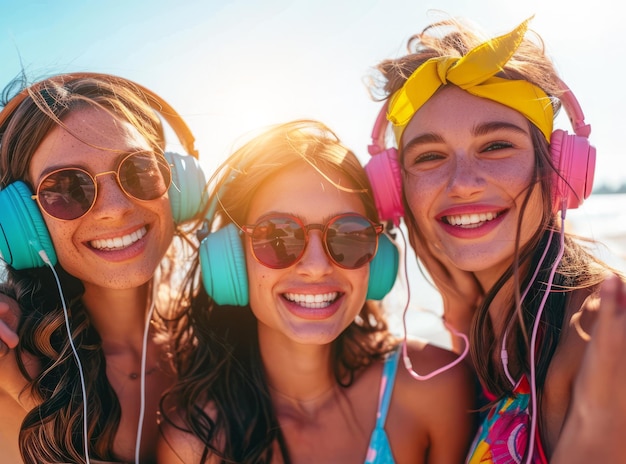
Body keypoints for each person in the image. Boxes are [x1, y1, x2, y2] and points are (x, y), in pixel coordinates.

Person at [364, 15, 626, 463]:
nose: (463, 183)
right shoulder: (493, 339)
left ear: (559, 171)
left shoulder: (602, 334)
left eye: (496, 146)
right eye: (429, 156)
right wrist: (461, 311)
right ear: (397, 190)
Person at [156, 120, 476, 463]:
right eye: (277, 236)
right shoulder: (196, 443)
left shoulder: (434, 387)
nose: (317, 266)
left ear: (378, 256)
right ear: (229, 259)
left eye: (349, 235)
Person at [0, 72, 206, 463]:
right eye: (66, 188)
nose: (116, 208)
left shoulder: (211, 343)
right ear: (22, 222)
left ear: (177, 185)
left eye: (138, 169)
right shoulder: (11, 366)